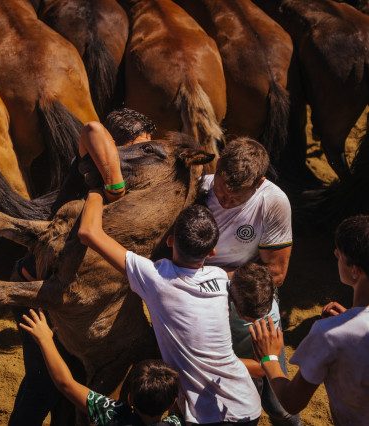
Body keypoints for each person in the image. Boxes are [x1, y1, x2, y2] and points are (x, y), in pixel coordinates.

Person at [9, 108, 156, 426]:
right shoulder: (88, 165)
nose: (143, 158)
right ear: (118, 145)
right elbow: (91, 127)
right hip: (39, 290)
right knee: (42, 383)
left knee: (71, 381)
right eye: (139, 148)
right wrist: (115, 186)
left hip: (71, 300)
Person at [78, 202, 261, 425]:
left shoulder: (157, 278)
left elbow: (88, 231)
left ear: (170, 240)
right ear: (211, 252)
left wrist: (98, 186)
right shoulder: (221, 277)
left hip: (206, 415)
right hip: (247, 406)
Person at [200, 138, 300, 426]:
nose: (224, 201)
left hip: (251, 304)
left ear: (259, 184)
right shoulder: (198, 189)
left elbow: (276, 274)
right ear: (217, 167)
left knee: (278, 403)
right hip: (204, 305)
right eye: (220, 190)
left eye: (235, 198)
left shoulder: (273, 202)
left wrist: (207, 278)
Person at [250, 215, 369, 425]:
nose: (335, 254)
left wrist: (269, 358)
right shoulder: (342, 328)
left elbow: (291, 402)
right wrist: (351, 318)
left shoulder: (329, 334)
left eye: (340, 253)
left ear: (355, 270)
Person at [19, 308, 184, 426]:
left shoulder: (113, 414)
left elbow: (65, 383)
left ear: (130, 398)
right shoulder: (177, 422)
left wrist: (45, 339)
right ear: (172, 402)